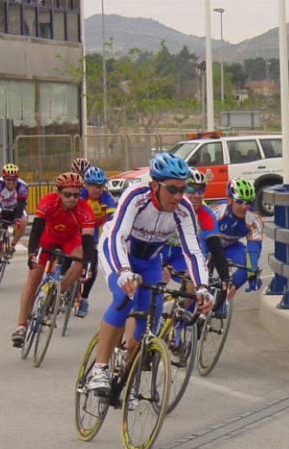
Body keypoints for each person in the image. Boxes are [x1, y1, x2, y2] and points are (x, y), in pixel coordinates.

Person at [85, 152, 213, 395]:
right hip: (120, 252)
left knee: (146, 325)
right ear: (155, 185)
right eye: (173, 189)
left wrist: (203, 287)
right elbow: (117, 236)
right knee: (124, 299)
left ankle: (125, 380)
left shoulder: (183, 209)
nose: (178, 196)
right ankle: (99, 369)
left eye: (183, 189)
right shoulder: (136, 196)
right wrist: (123, 271)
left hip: (150, 260)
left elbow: (193, 251)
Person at [11, 172, 96, 347]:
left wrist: (88, 265)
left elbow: (88, 241)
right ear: (59, 193)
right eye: (67, 194)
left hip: (70, 239)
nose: (72, 198)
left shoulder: (84, 209)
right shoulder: (49, 201)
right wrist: (32, 254)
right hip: (47, 237)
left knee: (80, 263)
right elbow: (36, 230)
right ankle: (21, 326)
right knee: (34, 278)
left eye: (76, 194)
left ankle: (56, 294)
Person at [160, 167, 231, 299]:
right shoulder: (169, 206)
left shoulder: (206, 214)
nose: (197, 195)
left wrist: (225, 277)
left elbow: (215, 247)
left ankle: (179, 318)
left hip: (180, 254)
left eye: (201, 190)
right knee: (154, 289)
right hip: (159, 249)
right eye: (191, 189)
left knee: (194, 284)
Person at [76, 166, 117, 318]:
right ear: (86, 185)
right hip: (77, 229)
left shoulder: (106, 197)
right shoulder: (80, 194)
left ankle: (84, 299)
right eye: (94, 185)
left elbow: (112, 217)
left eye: (101, 186)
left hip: (94, 232)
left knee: (92, 266)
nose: (98, 189)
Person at [213, 178, 264, 296]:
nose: (244, 206)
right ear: (229, 200)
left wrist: (252, 274)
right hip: (210, 244)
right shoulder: (216, 211)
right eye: (240, 201)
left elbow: (253, 249)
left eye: (248, 202)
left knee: (247, 262)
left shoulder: (254, 219)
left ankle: (226, 293)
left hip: (231, 246)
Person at [0, 163, 29, 282]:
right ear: (4, 178)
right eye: (8, 179)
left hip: (16, 210)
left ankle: (12, 246)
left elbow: (21, 205)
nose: (11, 182)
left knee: (23, 220)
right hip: (1, 209)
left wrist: (17, 219)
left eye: (14, 179)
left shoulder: (22, 186)